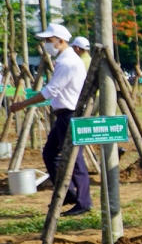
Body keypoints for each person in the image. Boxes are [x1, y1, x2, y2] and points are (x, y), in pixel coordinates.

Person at [9, 23, 90, 215]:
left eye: (48, 40)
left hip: (69, 115)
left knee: (75, 159)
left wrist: (22, 104)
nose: (45, 44)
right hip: (63, 115)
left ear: (60, 41)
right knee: (50, 154)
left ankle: (84, 202)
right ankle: (69, 194)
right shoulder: (65, 60)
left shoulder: (68, 62)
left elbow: (50, 91)